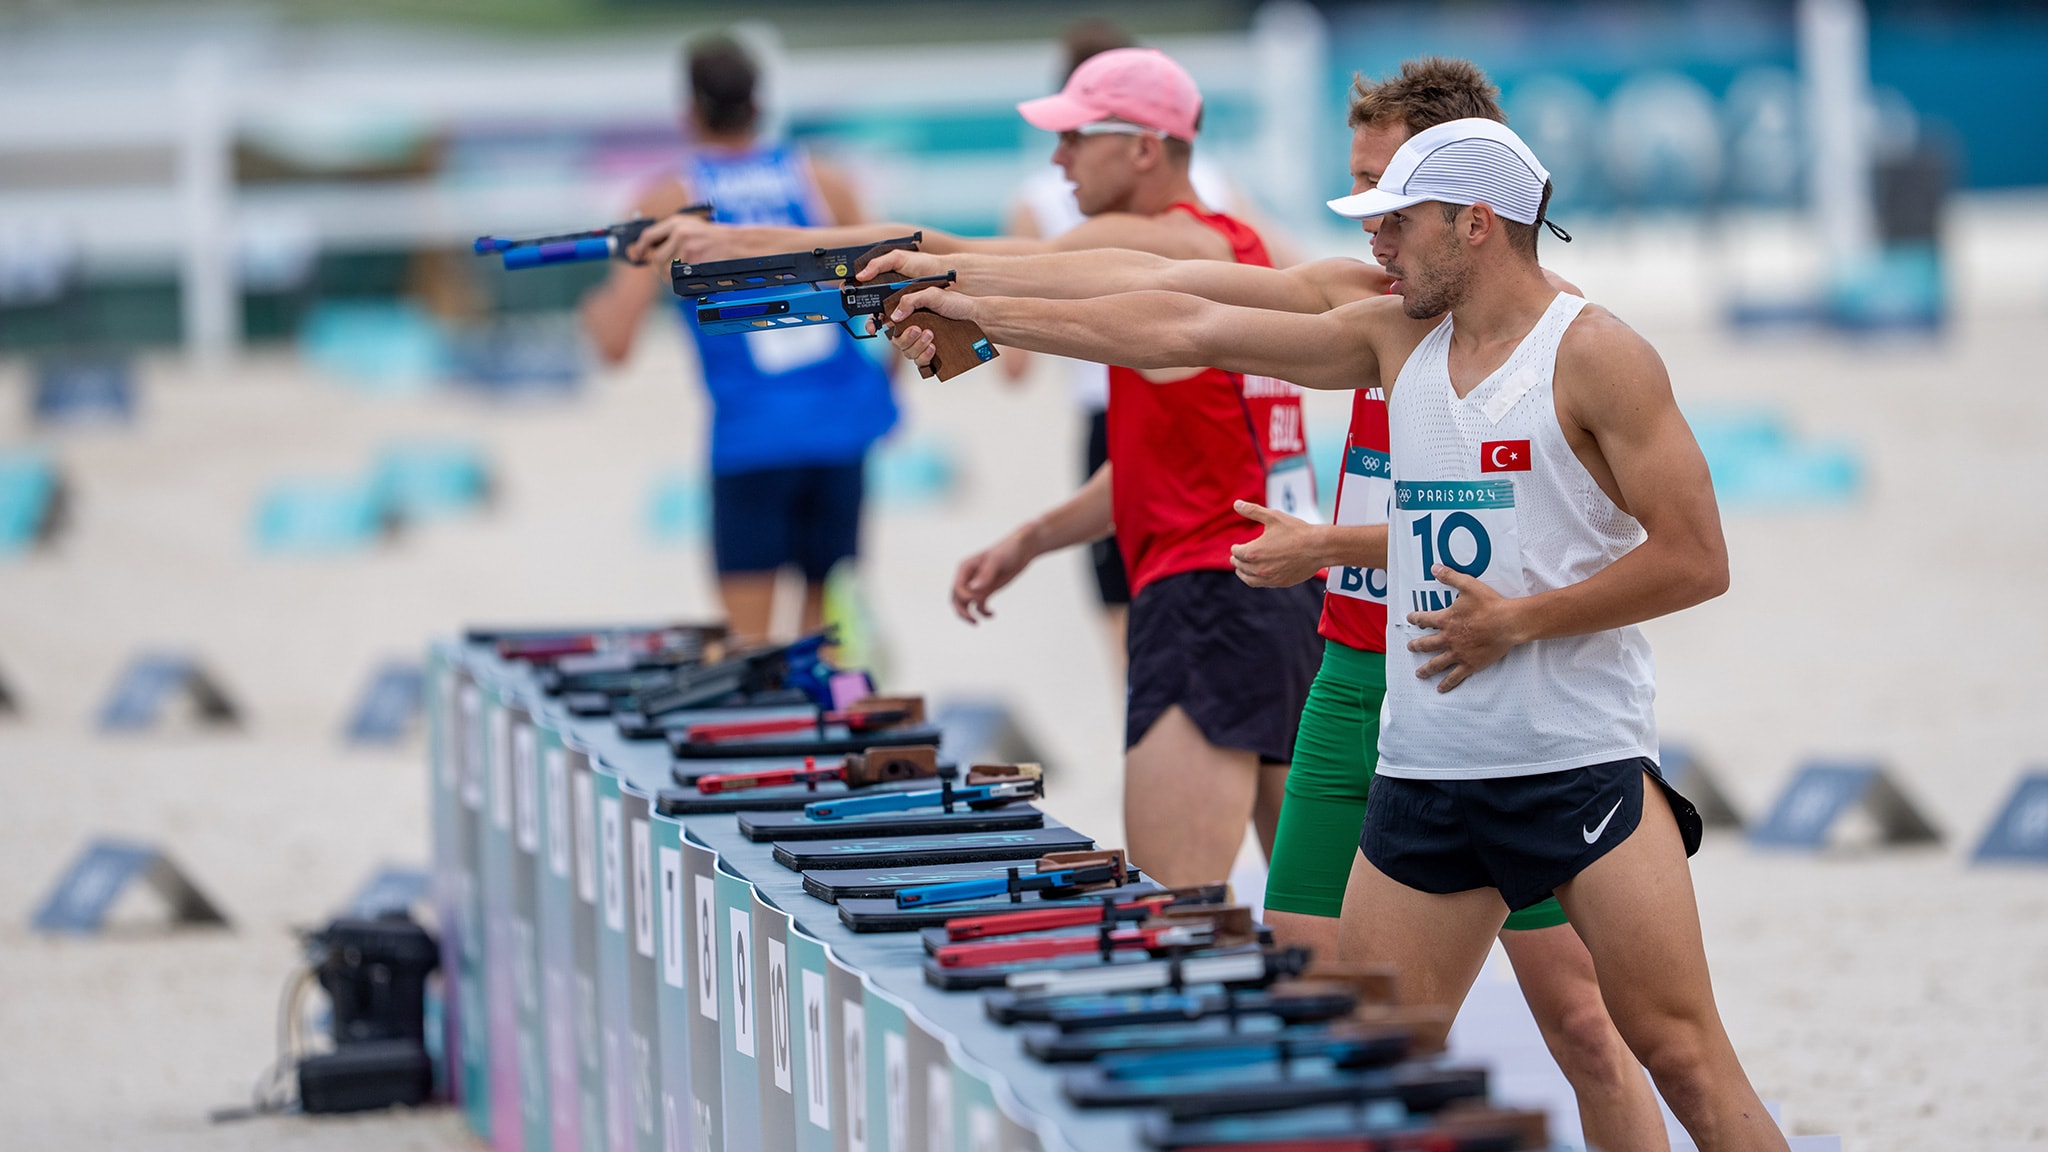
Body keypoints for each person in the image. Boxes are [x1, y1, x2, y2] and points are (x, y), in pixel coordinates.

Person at [882, 116, 1790, 1152]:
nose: (1378, 246)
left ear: (1475, 224)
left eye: (1397, 223)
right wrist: (977, 309)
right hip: (1426, 780)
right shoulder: (1392, 335)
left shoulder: (1596, 355)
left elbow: (1694, 559)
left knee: (1676, 1057)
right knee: (1359, 1077)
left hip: (1576, 768)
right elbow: (1183, 325)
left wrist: (1517, 623)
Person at [632, 47, 1324, 890]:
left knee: (1175, 920)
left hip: (1206, 603)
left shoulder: (1149, 239)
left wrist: (742, 238)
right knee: (1309, 926)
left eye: (1075, 138)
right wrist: (1032, 538)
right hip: (1279, 601)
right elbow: (1199, 458)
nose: (1057, 160)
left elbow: (942, 248)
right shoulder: (1238, 246)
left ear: (1144, 147)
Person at [578, 35, 897, 644]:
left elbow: (615, 346)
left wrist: (592, 313)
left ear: (689, 113)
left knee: (749, 651)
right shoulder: (825, 181)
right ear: (759, 106)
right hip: (841, 425)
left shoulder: (669, 200)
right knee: (823, 649)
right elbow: (890, 301)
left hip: (751, 435)